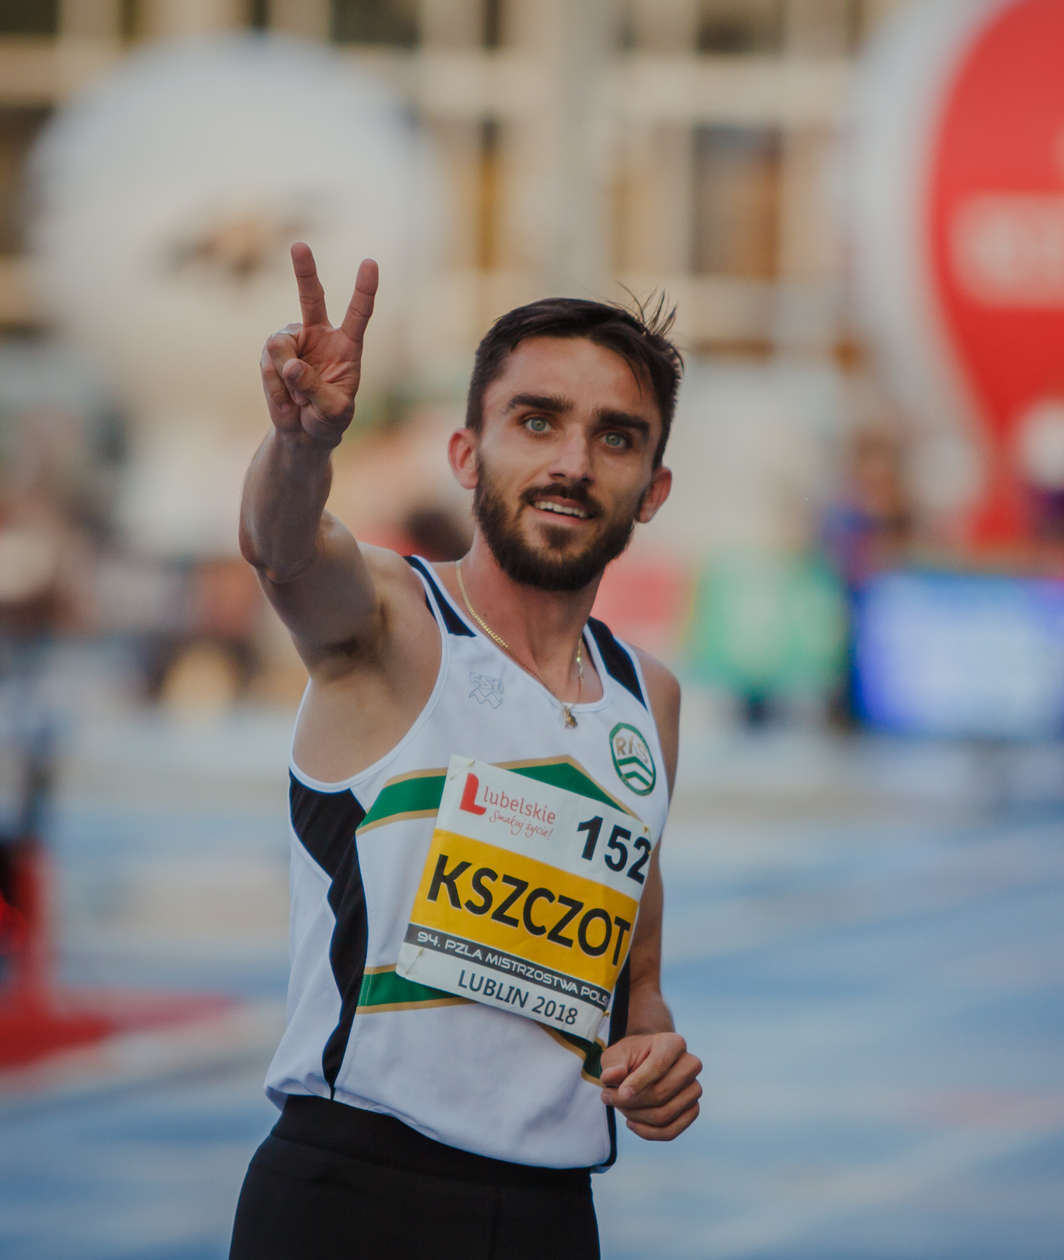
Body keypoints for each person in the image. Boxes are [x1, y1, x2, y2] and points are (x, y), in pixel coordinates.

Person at [229, 243, 701, 1260]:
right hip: (351, 1198)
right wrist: (303, 446)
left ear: (653, 489)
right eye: (536, 421)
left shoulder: (648, 699)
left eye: (615, 437)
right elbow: (283, 551)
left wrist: (655, 1055)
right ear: (465, 453)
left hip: (549, 1217)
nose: (573, 463)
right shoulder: (392, 623)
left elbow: (637, 986)